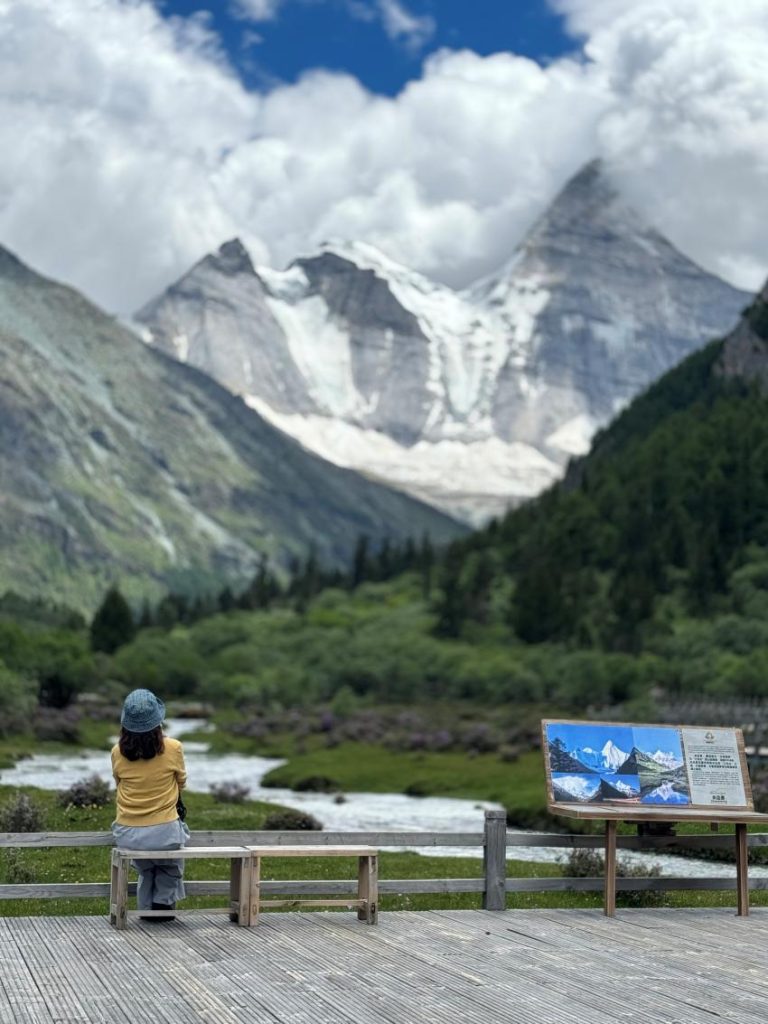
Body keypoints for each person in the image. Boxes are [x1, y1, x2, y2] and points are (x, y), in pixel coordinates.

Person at [111, 688, 190, 921]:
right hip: (164, 831)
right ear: (157, 721)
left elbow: (118, 783)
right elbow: (182, 782)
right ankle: (162, 907)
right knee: (170, 866)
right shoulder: (174, 747)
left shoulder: (116, 751)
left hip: (127, 832)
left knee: (146, 867)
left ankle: (146, 908)